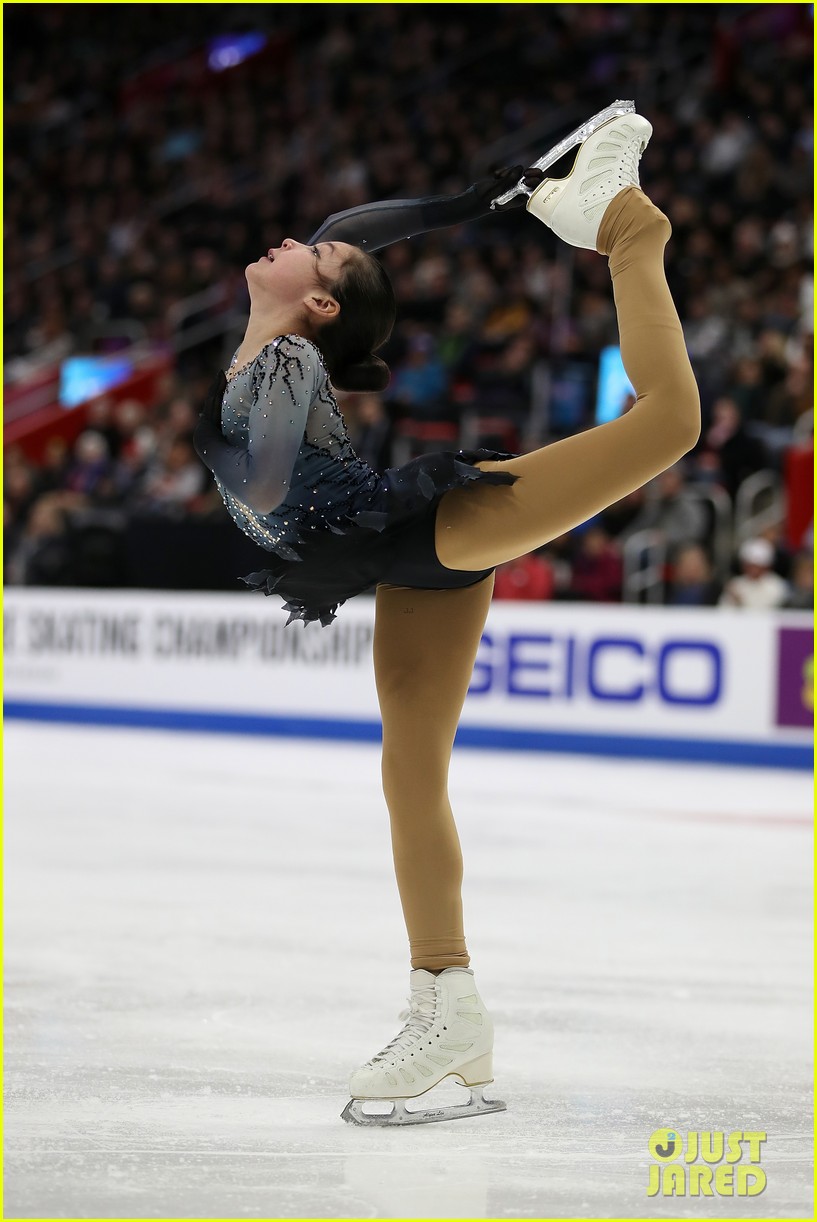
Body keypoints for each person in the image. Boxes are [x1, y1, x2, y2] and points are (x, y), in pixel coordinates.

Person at [193, 102, 701, 1127]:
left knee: (670, 422)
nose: (299, 238)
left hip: (425, 529)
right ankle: (448, 1001)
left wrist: (279, 503)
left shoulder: (287, 363)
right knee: (408, 770)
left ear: (322, 310)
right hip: (401, 557)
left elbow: (290, 480)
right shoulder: (286, 345)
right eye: (314, 247)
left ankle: (628, 228)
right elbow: (360, 228)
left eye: (315, 252)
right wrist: (465, 201)